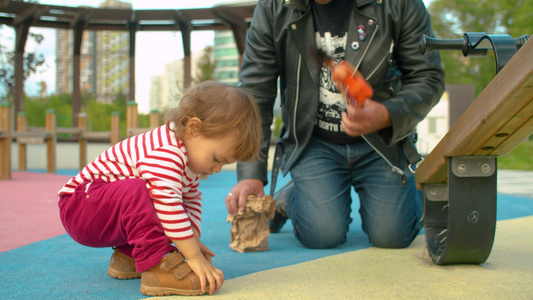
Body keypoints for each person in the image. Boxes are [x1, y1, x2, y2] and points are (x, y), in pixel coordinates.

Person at [226, 0, 445, 250]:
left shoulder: (398, 4)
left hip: (382, 143)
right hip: (313, 142)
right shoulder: (274, 7)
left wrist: (386, 114)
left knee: (393, 235)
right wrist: (251, 174)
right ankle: (292, 196)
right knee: (321, 235)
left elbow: (428, 77)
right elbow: (255, 93)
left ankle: (408, 193)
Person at [58, 80, 261, 296]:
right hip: (80, 207)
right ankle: (158, 268)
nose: (218, 169)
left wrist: (193, 242)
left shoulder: (187, 161)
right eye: (216, 158)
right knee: (147, 194)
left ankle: (128, 257)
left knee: (162, 202)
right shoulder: (168, 152)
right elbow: (168, 204)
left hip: (98, 209)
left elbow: (189, 201)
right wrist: (192, 256)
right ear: (193, 129)